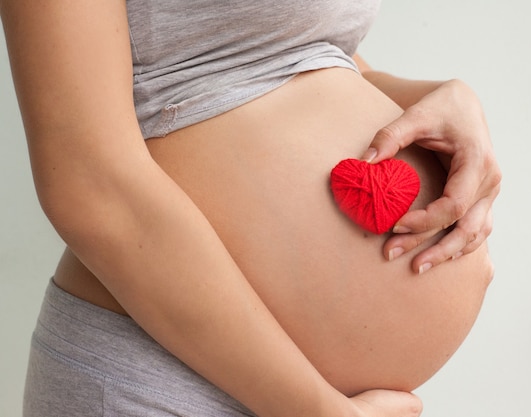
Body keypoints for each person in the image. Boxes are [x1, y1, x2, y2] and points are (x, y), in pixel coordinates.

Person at [0, 1, 501, 416]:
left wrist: (441, 100)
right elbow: (88, 185)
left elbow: (289, 53)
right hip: (162, 378)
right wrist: (314, 411)